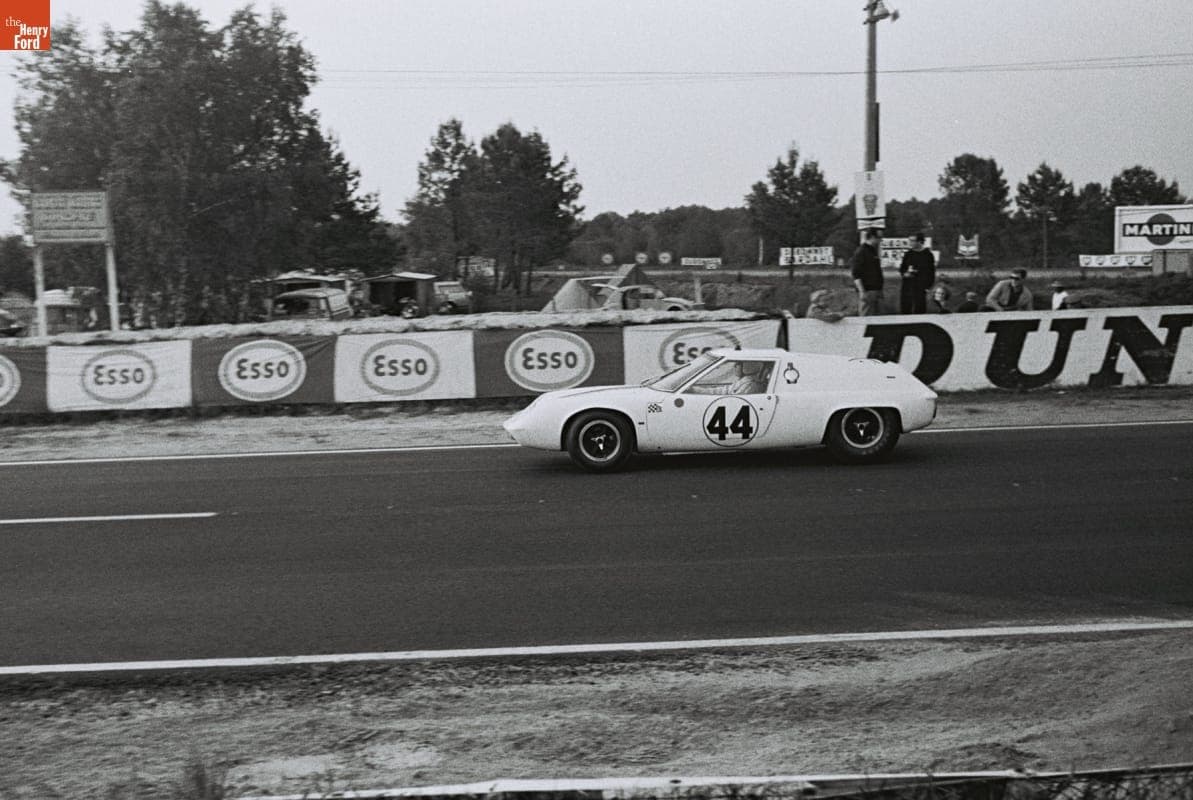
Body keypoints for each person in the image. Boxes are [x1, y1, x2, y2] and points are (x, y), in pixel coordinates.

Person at [898, 232, 936, 314]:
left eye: (912, 241)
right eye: (909, 240)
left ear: (920, 242)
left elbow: (931, 272)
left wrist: (928, 287)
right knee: (906, 308)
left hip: (921, 287)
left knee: (920, 308)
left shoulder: (928, 255)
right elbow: (902, 268)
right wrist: (904, 274)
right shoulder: (908, 254)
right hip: (907, 286)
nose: (910, 243)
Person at [850, 228, 884, 316]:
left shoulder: (873, 250)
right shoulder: (861, 252)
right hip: (867, 290)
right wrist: (862, 291)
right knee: (866, 315)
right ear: (872, 237)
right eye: (879, 237)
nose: (881, 240)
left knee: (876, 316)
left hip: (875, 290)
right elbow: (856, 273)